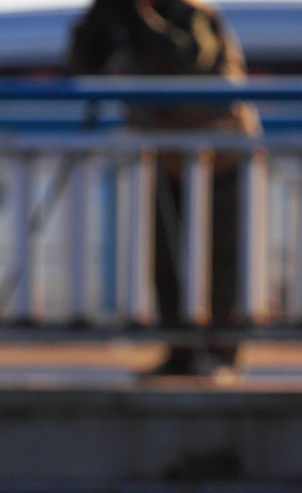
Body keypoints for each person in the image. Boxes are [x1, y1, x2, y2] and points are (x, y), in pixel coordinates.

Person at [68, 0, 261, 376]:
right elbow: (82, 63)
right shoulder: (114, 12)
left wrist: (143, 20)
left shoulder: (190, 11)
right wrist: (101, 19)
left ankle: (220, 355)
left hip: (216, 154)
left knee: (217, 261)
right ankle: (181, 351)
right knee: (165, 260)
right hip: (165, 151)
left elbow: (192, 62)